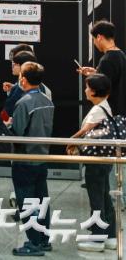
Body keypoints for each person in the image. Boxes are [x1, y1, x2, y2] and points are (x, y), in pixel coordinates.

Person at [67, 74, 117, 252]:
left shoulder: (97, 110)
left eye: (88, 87)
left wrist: (69, 142)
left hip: (95, 162)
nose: (86, 90)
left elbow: (83, 132)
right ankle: (110, 236)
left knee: (97, 199)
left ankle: (97, 239)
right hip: (104, 159)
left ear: (94, 91)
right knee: (104, 197)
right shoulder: (104, 106)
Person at [10, 61, 54, 256]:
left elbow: (17, 132)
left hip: (24, 159)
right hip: (42, 157)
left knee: (27, 202)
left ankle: (33, 243)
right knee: (42, 199)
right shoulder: (48, 101)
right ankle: (44, 239)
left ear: (23, 79)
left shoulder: (23, 103)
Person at [78, 20, 126, 115]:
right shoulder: (121, 55)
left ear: (99, 37)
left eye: (94, 39)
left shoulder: (106, 60)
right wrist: (96, 73)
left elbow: (101, 91)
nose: (94, 43)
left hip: (111, 113)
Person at [0, 50, 52, 117]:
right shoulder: (44, 90)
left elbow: (9, 112)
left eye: (16, 64)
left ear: (25, 66)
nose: (12, 66)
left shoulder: (21, 90)